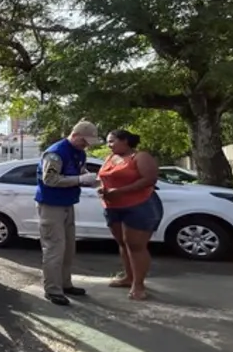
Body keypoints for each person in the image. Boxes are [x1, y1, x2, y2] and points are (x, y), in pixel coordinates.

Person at [35, 120, 101, 306]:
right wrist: (79, 179)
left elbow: (79, 172)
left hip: (67, 203)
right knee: (54, 249)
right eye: (84, 141)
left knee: (68, 249)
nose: (86, 145)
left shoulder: (79, 152)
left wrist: (90, 180)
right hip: (51, 205)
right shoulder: (56, 153)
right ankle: (52, 290)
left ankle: (65, 283)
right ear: (76, 135)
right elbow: (50, 179)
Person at [97, 129, 162, 301]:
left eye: (111, 141)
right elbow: (105, 178)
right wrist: (102, 189)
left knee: (135, 245)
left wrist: (119, 191)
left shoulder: (140, 157)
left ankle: (139, 285)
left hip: (139, 205)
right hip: (112, 207)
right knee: (123, 244)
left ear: (125, 140)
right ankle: (128, 277)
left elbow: (149, 180)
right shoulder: (110, 158)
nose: (108, 145)